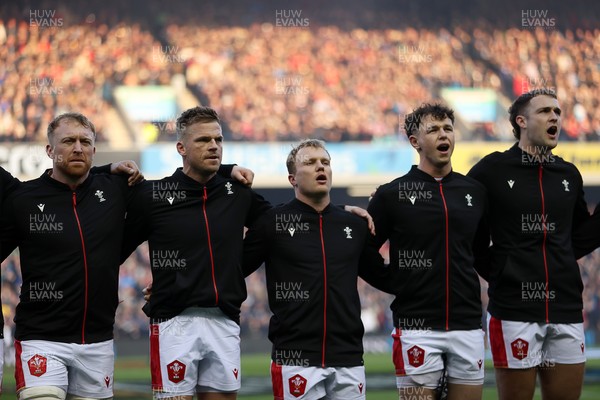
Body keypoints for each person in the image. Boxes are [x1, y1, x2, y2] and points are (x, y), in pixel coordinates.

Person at [121, 106, 273, 400]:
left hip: (225, 321)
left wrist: (228, 270)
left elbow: (276, 226)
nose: (213, 146)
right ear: (181, 147)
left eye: (218, 139)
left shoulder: (237, 193)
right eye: (203, 140)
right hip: (173, 324)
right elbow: (114, 250)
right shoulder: (153, 196)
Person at [0, 112, 148, 399]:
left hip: (98, 342)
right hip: (40, 339)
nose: (78, 147)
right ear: (50, 150)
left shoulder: (117, 189)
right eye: (68, 141)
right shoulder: (23, 199)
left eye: (85, 142)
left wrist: (228, 172)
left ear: (94, 149)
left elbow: (177, 198)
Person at [242, 139, 391, 400]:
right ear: (292, 179)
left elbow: (386, 277)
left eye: (325, 162)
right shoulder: (272, 223)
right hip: (295, 358)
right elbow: (232, 269)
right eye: (310, 163)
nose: (320, 167)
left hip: (348, 357)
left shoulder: (353, 225)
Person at [467, 89, 591, 400]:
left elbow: (578, 238)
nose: (555, 117)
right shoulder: (491, 170)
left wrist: (560, 264)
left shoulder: (569, 174)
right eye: (545, 111)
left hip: (565, 307)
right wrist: (502, 272)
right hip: (513, 310)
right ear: (521, 121)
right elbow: (467, 229)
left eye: (558, 112)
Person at [367, 103, 489, 400]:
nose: (442, 134)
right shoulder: (391, 194)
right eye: (432, 129)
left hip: (467, 325)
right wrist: (394, 281)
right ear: (415, 142)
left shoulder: (474, 192)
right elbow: (363, 252)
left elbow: (481, 252)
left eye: (447, 128)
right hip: (416, 327)